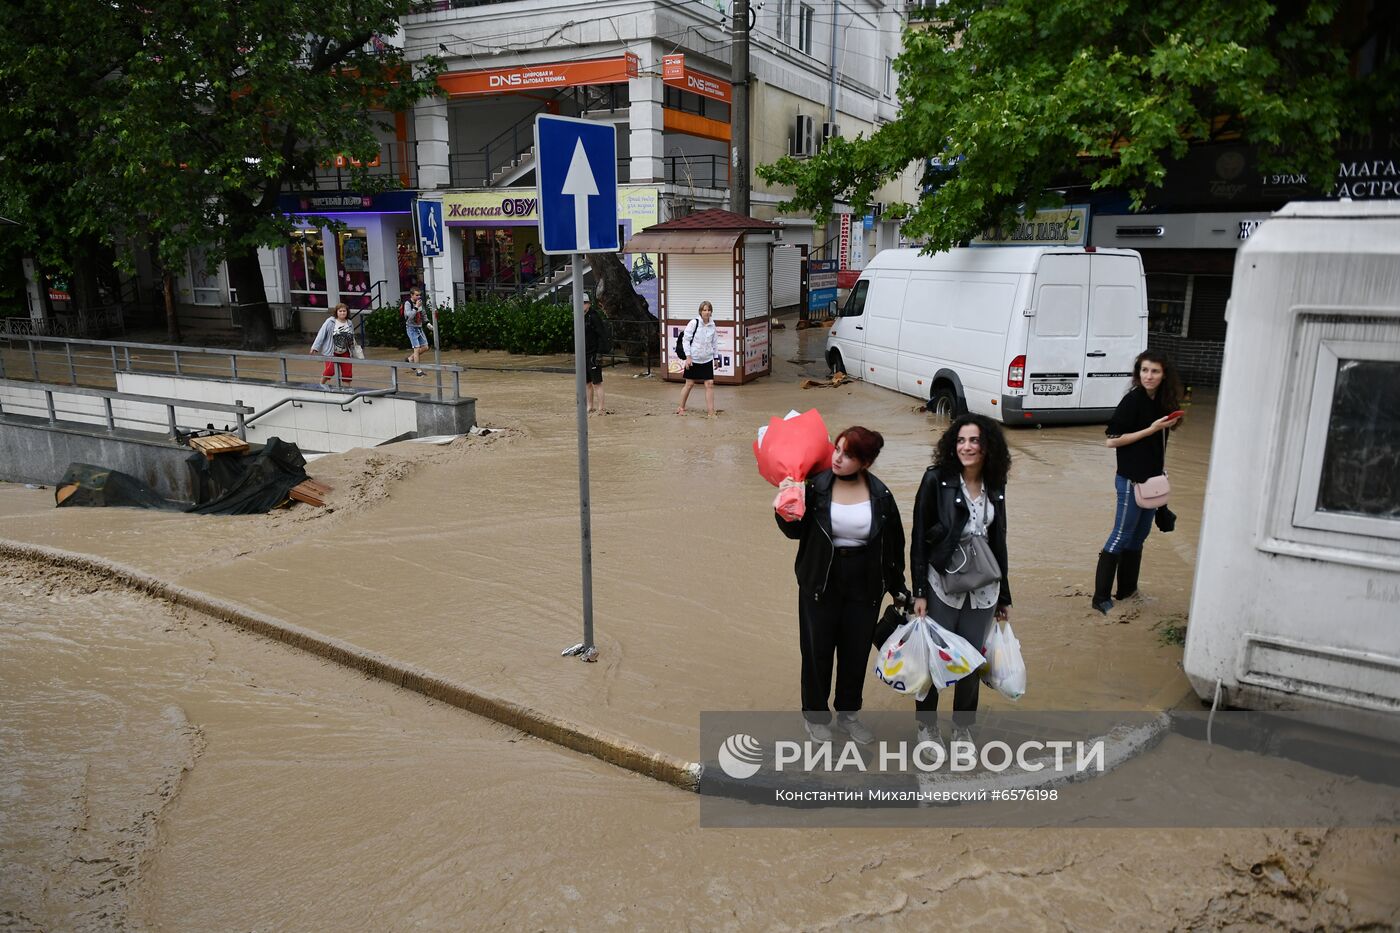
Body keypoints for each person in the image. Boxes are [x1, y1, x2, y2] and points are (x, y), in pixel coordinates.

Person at [776, 427, 909, 745]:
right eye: (836, 449)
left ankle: (849, 716)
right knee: (816, 654)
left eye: (847, 454)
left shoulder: (882, 496)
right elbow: (793, 532)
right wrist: (785, 504)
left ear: (865, 462)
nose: (837, 457)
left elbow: (893, 547)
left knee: (855, 655)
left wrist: (899, 589)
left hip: (864, 590)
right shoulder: (814, 488)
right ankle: (816, 718)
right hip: (820, 585)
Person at [910, 414, 1013, 748]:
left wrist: (1004, 597)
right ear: (952, 446)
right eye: (961, 440)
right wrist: (920, 592)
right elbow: (918, 538)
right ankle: (926, 726)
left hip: (984, 591)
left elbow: (1000, 541)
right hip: (942, 586)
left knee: (971, 661)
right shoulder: (935, 480)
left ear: (988, 447)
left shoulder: (995, 484)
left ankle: (962, 727)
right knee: (935, 659)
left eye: (975, 441)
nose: (967, 447)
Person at [1092, 350, 1183, 613]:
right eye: (1144, 370)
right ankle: (1100, 600)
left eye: (1154, 371)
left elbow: (1161, 441)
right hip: (1130, 481)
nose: (1149, 376)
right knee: (1121, 534)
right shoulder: (1132, 401)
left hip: (1152, 482)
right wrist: (1151, 429)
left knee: (1139, 536)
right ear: (1138, 373)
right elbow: (1112, 440)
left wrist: (1170, 423)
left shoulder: (1165, 401)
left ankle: (1128, 592)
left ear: (1164, 375)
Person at [676, 300, 718, 416]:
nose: (707, 312)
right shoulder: (694, 323)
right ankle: (681, 407)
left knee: (709, 383)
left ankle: (711, 412)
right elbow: (686, 340)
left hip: (707, 359)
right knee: (689, 384)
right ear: (700, 311)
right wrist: (688, 357)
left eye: (709, 310)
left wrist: (716, 358)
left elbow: (714, 343)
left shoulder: (712, 325)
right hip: (693, 359)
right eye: (705, 310)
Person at [310, 303, 357, 390]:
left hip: (345, 351)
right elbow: (321, 334)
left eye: (344, 311)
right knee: (330, 370)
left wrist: (354, 349)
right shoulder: (330, 321)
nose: (342, 313)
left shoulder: (349, 323)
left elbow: (352, 337)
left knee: (347, 372)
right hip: (331, 351)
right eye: (340, 311)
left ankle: (348, 389)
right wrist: (315, 347)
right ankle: (321, 384)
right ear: (336, 312)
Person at [582, 295, 606, 414]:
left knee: (597, 383)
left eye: (584, 303)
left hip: (593, 354)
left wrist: (600, 353)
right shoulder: (581, 317)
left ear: (589, 304)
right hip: (584, 354)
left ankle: (601, 408)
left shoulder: (594, 317)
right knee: (587, 383)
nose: (582, 305)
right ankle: (590, 407)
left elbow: (603, 336)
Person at [401, 287, 429, 377]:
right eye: (416, 295)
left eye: (419, 295)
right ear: (412, 295)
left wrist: (427, 323)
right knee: (416, 349)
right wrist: (416, 307)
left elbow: (423, 313)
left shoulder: (420, 302)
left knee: (425, 347)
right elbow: (409, 316)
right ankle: (418, 370)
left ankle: (410, 359)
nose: (418, 297)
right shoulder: (407, 303)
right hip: (411, 328)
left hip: (419, 327)